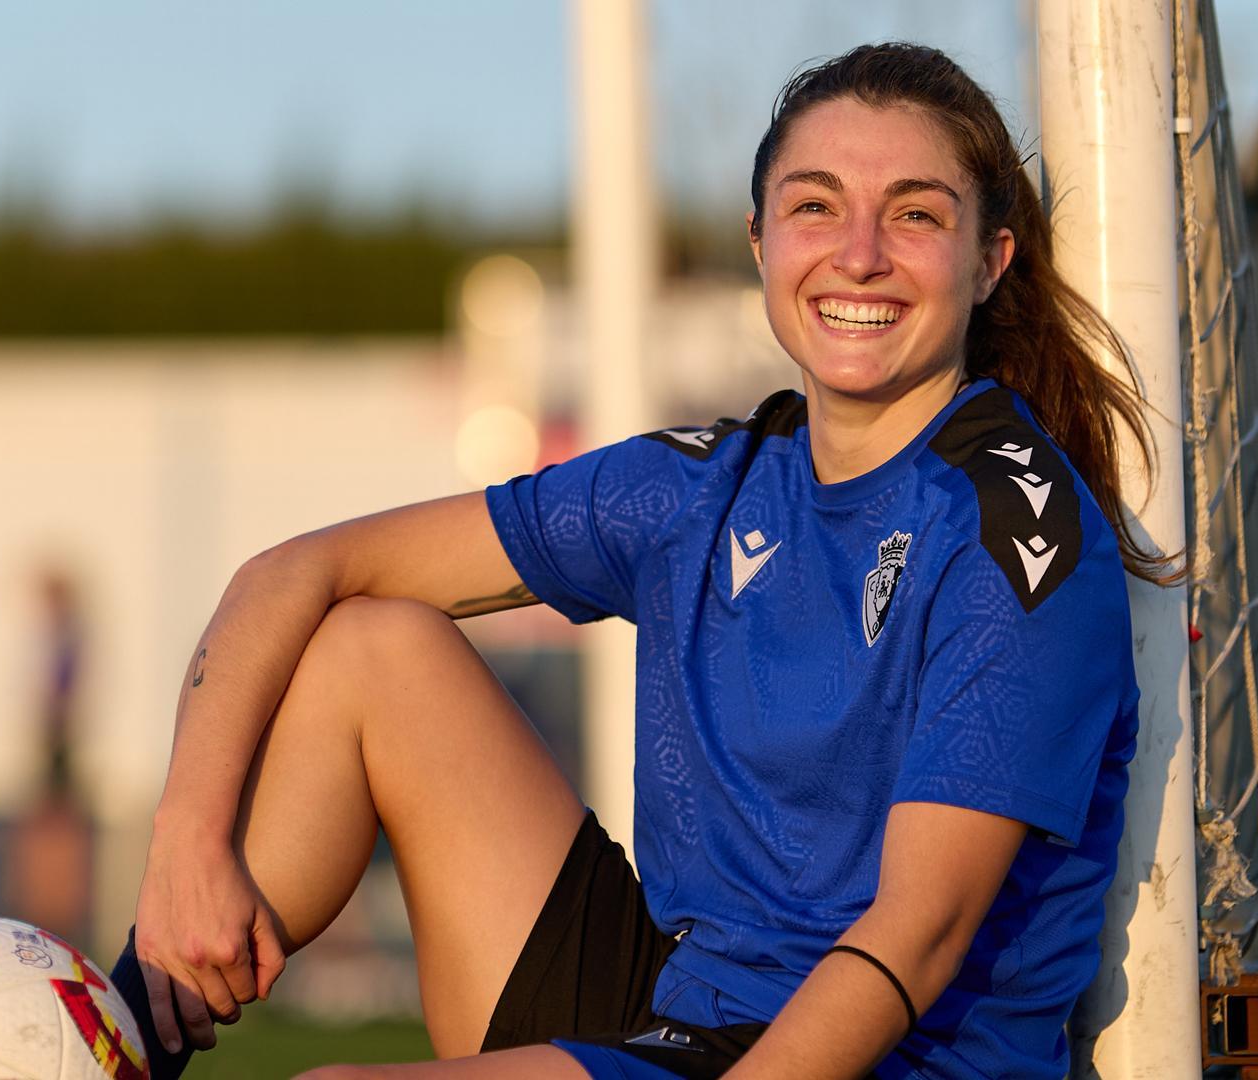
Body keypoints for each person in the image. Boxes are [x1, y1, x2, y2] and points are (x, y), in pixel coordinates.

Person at [109, 42, 1168, 1080]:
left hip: (881, 1055)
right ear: (760, 242)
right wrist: (184, 843)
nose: (858, 255)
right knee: (370, 650)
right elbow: (296, 572)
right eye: (815, 206)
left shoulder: (1015, 536)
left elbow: (918, 938)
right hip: (684, 1011)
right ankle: (114, 1040)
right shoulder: (705, 487)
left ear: (989, 260)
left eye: (915, 215)